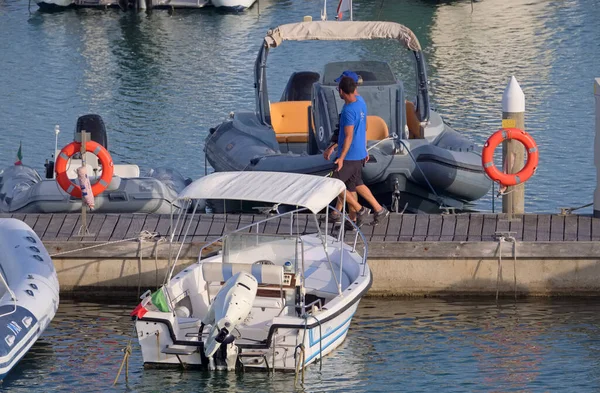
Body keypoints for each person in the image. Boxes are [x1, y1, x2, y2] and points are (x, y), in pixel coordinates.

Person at [323, 72, 389, 229]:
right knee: (354, 185)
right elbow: (365, 127)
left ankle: (360, 210)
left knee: (334, 184)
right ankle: (376, 211)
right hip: (359, 153)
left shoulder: (347, 111)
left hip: (350, 156)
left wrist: (341, 157)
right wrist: (364, 149)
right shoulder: (361, 101)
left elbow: (348, 136)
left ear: (341, 91)